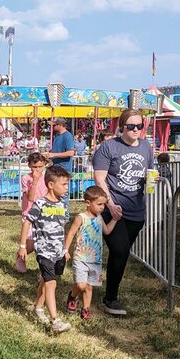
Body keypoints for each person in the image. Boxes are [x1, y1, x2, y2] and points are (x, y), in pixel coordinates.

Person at [92, 108, 154, 316]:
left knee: (122, 254)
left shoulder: (146, 147)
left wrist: (155, 180)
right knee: (120, 250)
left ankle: (109, 289)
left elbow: (149, 173)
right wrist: (110, 205)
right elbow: (100, 179)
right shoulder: (109, 147)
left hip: (136, 209)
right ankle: (111, 298)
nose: (136, 130)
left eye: (139, 126)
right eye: (131, 126)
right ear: (122, 127)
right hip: (113, 208)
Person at [18, 165, 72, 334]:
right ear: (50, 185)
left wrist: (65, 249)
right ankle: (55, 320)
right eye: (63, 184)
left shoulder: (63, 205)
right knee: (51, 283)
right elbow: (28, 221)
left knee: (46, 281)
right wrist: (22, 246)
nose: (66, 188)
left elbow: (62, 227)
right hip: (44, 251)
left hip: (58, 251)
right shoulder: (40, 203)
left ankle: (38, 308)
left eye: (67, 184)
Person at [62, 186, 118, 320]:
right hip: (80, 257)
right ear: (88, 203)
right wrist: (65, 250)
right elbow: (71, 234)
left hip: (95, 259)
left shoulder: (99, 218)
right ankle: (73, 296)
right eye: (99, 204)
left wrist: (115, 219)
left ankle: (86, 309)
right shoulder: (81, 218)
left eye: (104, 204)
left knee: (89, 286)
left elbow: (107, 231)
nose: (102, 207)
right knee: (81, 285)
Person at [16, 152, 48, 272]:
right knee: (30, 244)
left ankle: (43, 269)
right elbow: (30, 197)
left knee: (42, 243)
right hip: (29, 213)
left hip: (44, 214)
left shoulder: (47, 178)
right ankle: (20, 256)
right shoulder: (26, 179)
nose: (38, 169)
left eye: (40, 166)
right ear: (29, 165)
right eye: (35, 167)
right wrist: (34, 182)